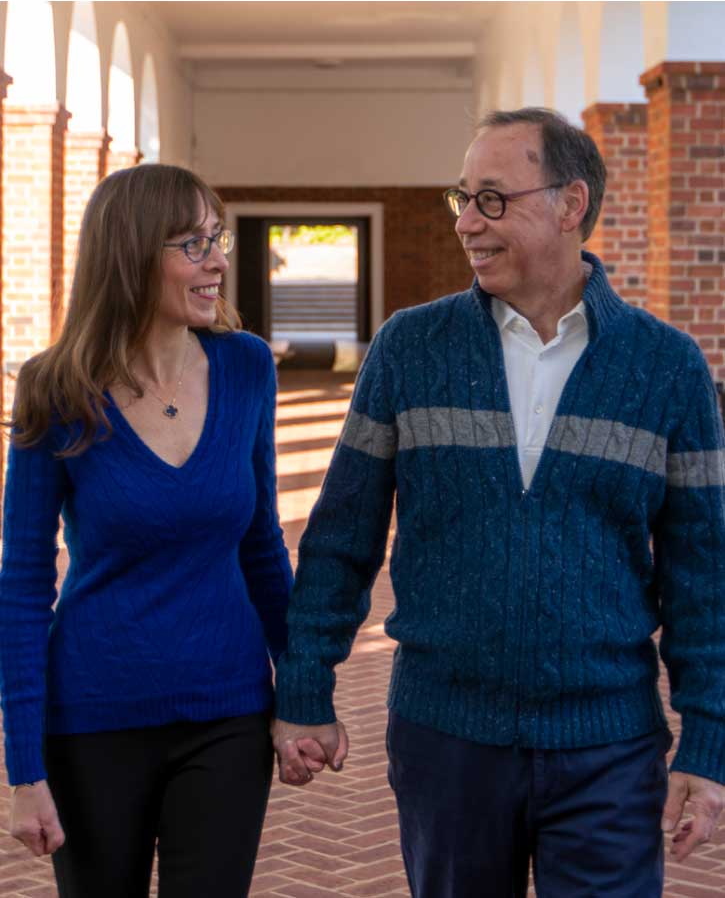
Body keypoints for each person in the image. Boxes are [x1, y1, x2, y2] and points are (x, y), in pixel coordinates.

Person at [270, 109, 725, 897]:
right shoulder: (410, 349)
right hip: (445, 738)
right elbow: (341, 537)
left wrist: (708, 742)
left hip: (608, 747)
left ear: (569, 203)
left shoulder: (666, 367)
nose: (465, 224)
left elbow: (703, 575)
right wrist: (306, 685)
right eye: (460, 199)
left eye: (490, 199)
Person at [0, 164, 292, 898]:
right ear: (132, 254)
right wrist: (24, 769)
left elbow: (261, 545)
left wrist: (305, 693)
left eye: (216, 238)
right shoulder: (55, 389)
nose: (218, 259)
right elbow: (25, 582)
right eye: (192, 243)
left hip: (227, 710)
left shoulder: (246, 367)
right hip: (92, 719)